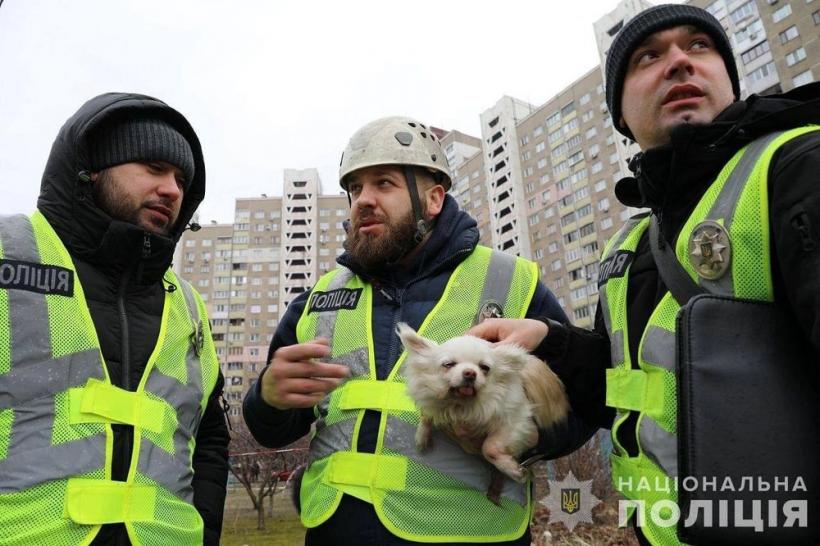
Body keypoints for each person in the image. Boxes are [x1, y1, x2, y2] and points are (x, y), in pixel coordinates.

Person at [469, 4, 820, 545]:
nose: (679, 62)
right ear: (621, 116)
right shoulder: (629, 246)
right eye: (648, 57)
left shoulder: (797, 169)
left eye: (699, 46)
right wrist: (550, 341)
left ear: (730, 78)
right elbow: (625, 390)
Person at [243, 116, 600, 545]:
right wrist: (267, 400)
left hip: (470, 535)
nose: (363, 200)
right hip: (335, 532)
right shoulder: (317, 300)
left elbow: (586, 404)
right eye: (355, 188)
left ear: (433, 200)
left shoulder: (510, 282)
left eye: (384, 183)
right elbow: (272, 428)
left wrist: (519, 437)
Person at [0, 92, 229, 545]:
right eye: (153, 168)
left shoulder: (187, 302)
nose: (173, 189)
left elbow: (210, 438)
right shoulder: (9, 253)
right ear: (92, 171)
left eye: (182, 178)